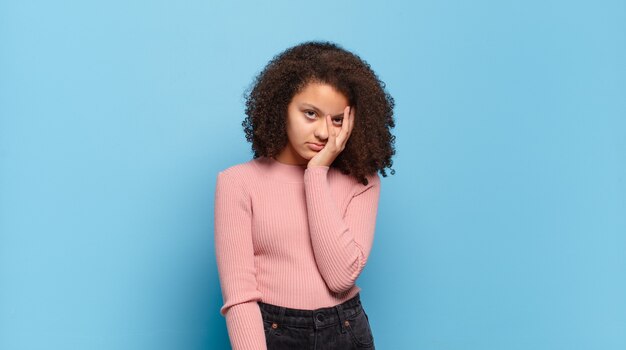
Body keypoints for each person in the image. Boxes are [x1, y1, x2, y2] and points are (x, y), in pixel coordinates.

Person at [214, 40, 396, 350]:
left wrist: (316, 174)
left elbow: (340, 277)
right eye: (310, 114)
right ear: (281, 107)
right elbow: (240, 297)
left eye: (337, 120)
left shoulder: (362, 181)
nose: (325, 133)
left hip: (345, 330)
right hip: (273, 332)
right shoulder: (237, 183)